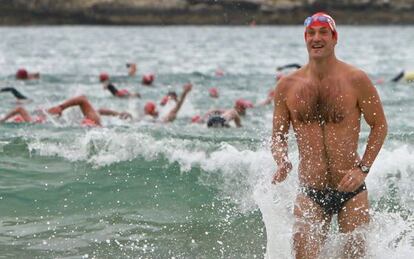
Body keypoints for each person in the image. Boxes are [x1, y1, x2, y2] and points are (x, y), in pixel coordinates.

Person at [271, 12, 387, 258]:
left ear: (335, 38)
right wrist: (281, 159)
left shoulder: (356, 79)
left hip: (351, 190)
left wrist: (362, 169)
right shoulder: (287, 86)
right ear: (305, 39)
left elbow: (379, 126)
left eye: (323, 32)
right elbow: (278, 135)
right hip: (310, 191)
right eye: (311, 33)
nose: (317, 38)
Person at [0, 95, 131, 126]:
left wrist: (61, 107)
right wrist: (118, 114)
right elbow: (100, 110)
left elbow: (20, 109)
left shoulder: (33, 122)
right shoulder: (95, 118)